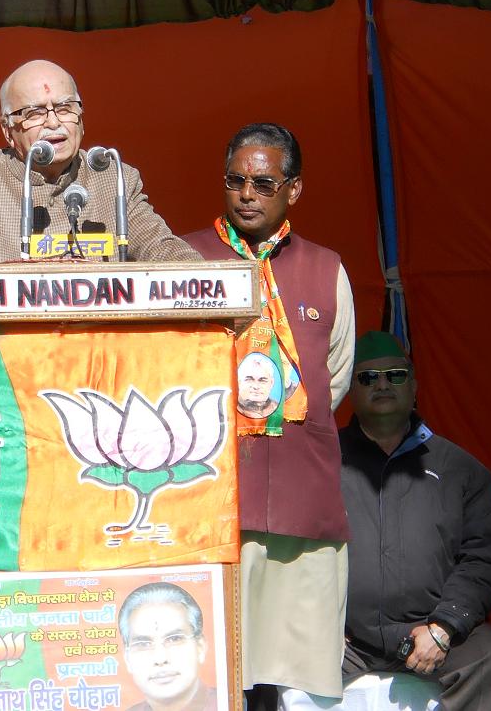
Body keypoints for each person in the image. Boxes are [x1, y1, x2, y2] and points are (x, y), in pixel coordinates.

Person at [181, 122, 354, 708]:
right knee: (218, 674)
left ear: (294, 190)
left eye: (264, 182)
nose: (247, 194)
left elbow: (336, 374)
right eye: (236, 181)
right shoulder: (185, 257)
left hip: (302, 500)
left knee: (299, 680)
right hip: (213, 500)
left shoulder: (326, 268)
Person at [0, 58, 198, 288]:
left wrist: (206, 277)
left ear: (81, 116)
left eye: (64, 108)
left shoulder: (114, 177)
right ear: (7, 130)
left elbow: (161, 248)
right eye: (34, 113)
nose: (53, 122)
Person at [340, 331, 491, 709]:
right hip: (344, 639)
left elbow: (484, 557)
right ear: (350, 390)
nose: (383, 384)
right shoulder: (323, 464)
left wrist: (445, 626)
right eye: (368, 378)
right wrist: (323, 623)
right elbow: (298, 549)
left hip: (430, 630)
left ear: (414, 386)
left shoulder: (461, 470)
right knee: (275, 665)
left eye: (395, 375)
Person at [119, 582, 217, 711]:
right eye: (143, 644)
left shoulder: (230, 703)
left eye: (174, 639)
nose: (160, 659)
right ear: (127, 659)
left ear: (200, 647)